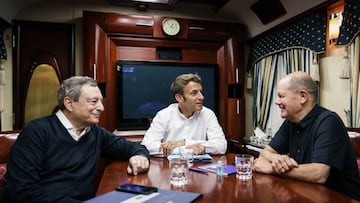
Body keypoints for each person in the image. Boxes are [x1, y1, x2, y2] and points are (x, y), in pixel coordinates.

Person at [3, 76, 150, 203]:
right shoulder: (36, 131)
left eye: (100, 101)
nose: (101, 108)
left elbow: (131, 147)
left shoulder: (95, 132)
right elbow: (22, 192)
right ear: (69, 103)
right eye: (93, 101)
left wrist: (140, 156)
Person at [253, 71, 360, 201]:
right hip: (306, 193)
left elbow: (319, 174)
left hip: (340, 198)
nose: (276, 101)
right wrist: (277, 158)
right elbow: (266, 152)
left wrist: (272, 168)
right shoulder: (291, 122)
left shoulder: (329, 122)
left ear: (303, 96)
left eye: (281, 96)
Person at [141, 73, 227, 156]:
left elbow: (221, 145)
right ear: (179, 98)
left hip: (199, 167)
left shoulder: (208, 114)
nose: (201, 97)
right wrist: (184, 149)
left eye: (201, 92)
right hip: (171, 167)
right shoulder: (164, 115)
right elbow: (147, 145)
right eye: (194, 93)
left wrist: (184, 143)